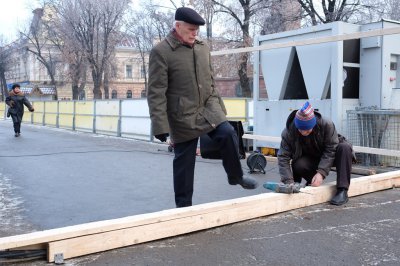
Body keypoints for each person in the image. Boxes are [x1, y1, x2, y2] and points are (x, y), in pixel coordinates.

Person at [147, 7, 258, 208]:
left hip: (208, 107)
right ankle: (183, 207)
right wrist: (160, 126)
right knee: (184, 163)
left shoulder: (202, 47)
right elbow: (156, 92)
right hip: (182, 115)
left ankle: (236, 177)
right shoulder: (161, 52)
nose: (194, 34)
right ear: (177, 26)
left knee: (228, 133)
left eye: (196, 30)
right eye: (190, 29)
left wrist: (216, 103)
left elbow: (211, 79)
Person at [277, 101, 354, 205]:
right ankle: (312, 181)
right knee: (299, 164)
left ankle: (342, 190)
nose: (303, 133)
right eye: (301, 129)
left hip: (334, 155)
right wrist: (288, 182)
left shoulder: (326, 124)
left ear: (313, 125)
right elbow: (283, 157)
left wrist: (321, 173)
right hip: (313, 157)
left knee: (344, 147)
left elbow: (331, 149)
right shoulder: (288, 133)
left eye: (307, 130)